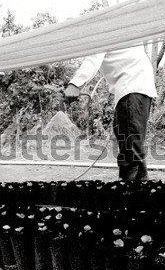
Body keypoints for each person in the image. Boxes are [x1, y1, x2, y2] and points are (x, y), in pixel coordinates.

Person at [64, 45, 158, 180]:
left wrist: (75, 84)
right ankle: (142, 187)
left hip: (132, 87)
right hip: (136, 88)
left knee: (130, 148)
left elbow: (93, 59)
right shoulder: (120, 33)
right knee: (131, 143)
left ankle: (128, 193)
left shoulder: (103, 31)